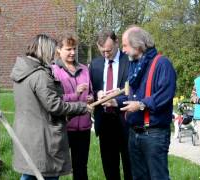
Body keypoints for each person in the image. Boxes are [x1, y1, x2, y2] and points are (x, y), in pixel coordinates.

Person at [10, 34, 90, 180]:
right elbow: (54, 106)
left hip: (26, 132)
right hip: (42, 137)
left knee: (30, 172)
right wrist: (82, 107)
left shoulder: (22, 72)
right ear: (45, 51)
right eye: (52, 51)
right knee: (46, 174)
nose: (53, 55)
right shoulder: (40, 75)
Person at [103, 25, 176, 180]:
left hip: (154, 134)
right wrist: (115, 102)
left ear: (138, 44)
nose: (123, 50)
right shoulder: (134, 64)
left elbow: (165, 95)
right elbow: (132, 96)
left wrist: (141, 104)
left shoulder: (162, 63)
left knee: (158, 177)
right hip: (134, 133)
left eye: (125, 45)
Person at [89, 30, 131, 180]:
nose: (106, 54)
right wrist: (97, 93)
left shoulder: (130, 61)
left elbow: (135, 90)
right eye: (103, 51)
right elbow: (91, 90)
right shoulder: (95, 64)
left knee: (130, 167)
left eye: (109, 50)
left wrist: (116, 101)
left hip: (126, 120)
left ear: (117, 43)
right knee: (109, 168)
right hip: (105, 121)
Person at [51, 33, 93, 180]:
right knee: (55, 168)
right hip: (64, 127)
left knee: (81, 168)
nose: (73, 53)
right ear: (58, 50)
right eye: (68, 49)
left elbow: (91, 92)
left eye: (74, 48)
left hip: (84, 127)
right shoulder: (53, 71)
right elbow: (54, 100)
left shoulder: (85, 69)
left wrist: (90, 97)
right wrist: (75, 95)